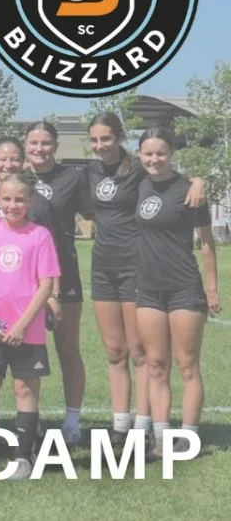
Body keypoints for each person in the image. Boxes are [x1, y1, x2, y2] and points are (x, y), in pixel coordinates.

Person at [85, 113, 205, 443]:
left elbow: (172, 176)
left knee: (143, 353)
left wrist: (198, 180)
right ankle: (121, 424)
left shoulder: (140, 168)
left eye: (106, 138)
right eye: (94, 140)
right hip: (102, 268)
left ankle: (144, 423)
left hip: (138, 267)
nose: (100, 146)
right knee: (114, 351)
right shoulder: (91, 171)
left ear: (121, 138)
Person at [0, 172, 60, 479]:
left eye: (20, 199)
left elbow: (46, 285)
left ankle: (22, 458)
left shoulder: (40, 235)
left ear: (30, 201)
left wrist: (22, 324)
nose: (13, 204)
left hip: (27, 329)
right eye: (7, 199)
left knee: (24, 388)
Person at [135, 127, 221, 454]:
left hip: (185, 288)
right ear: (140, 155)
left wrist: (212, 290)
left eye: (161, 153)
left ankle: (188, 437)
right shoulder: (139, 184)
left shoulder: (190, 190)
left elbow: (208, 245)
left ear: (171, 153)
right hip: (148, 291)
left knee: (187, 365)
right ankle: (160, 437)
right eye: (148, 153)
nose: (154, 159)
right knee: (156, 364)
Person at [23, 120, 87, 444]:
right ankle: (28, 422)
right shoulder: (14, 179)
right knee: (28, 354)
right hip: (21, 278)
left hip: (64, 275)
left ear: (56, 145)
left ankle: (72, 421)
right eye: (33, 142)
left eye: (45, 143)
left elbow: (100, 211)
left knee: (67, 350)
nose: (39, 148)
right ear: (25, 144)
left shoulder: (72, 178)